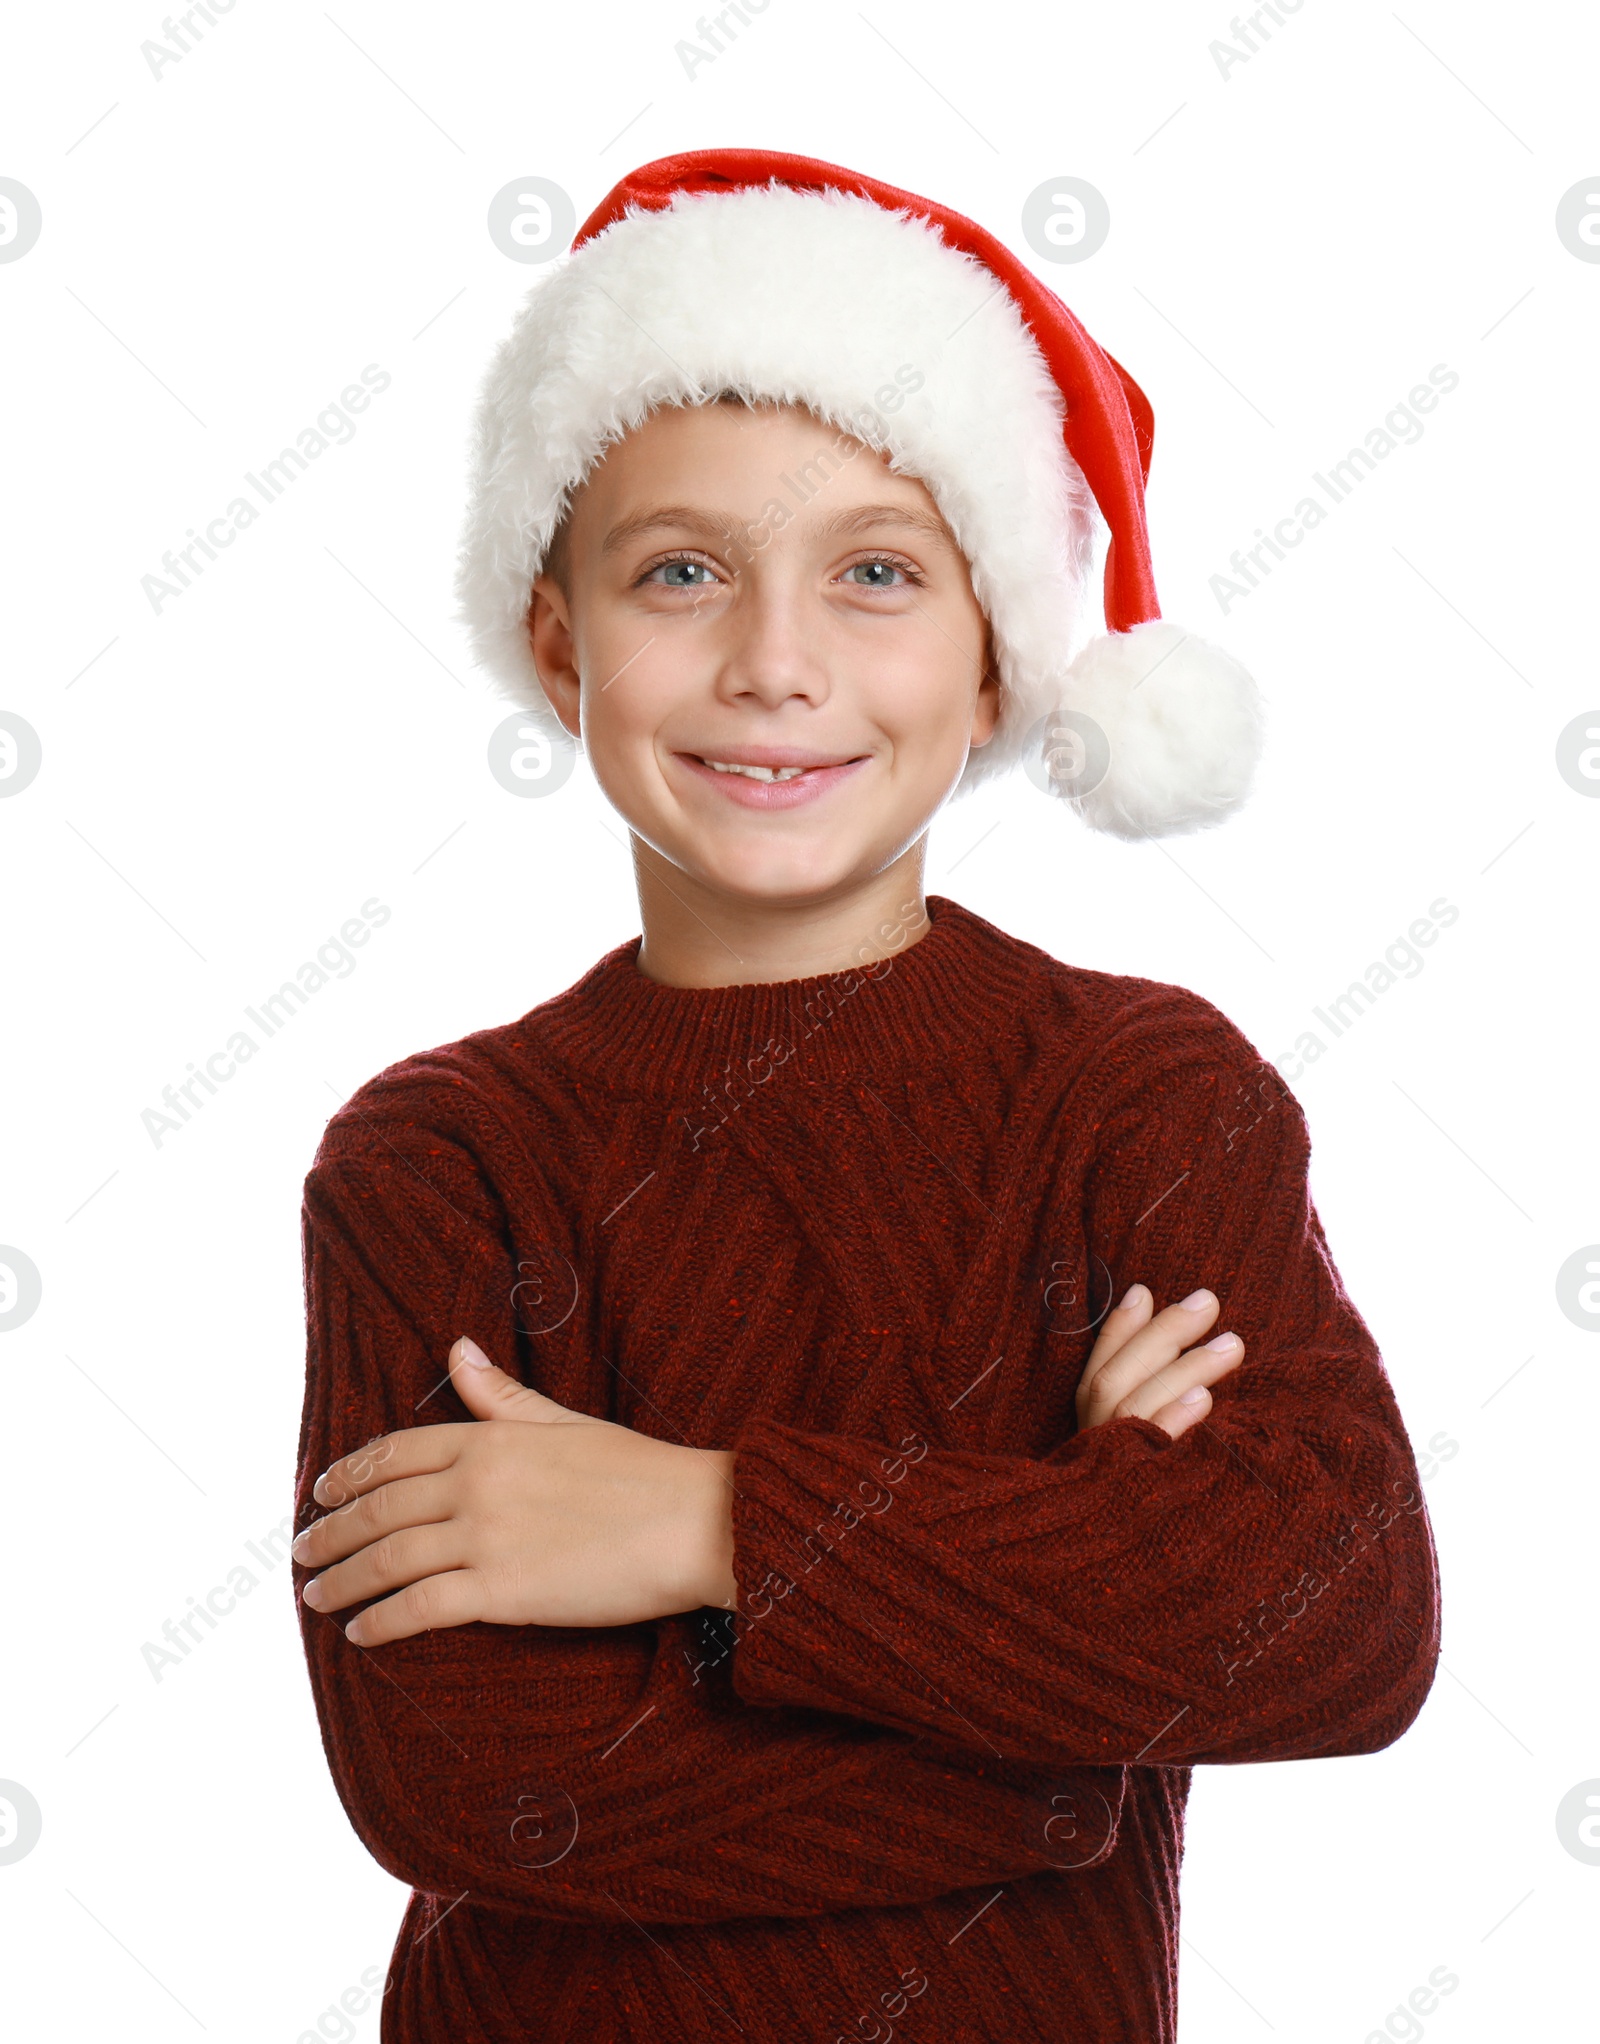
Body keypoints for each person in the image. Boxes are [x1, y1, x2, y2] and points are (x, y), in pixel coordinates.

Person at [291, 149, 1440, 2043]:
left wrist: (708, 1527)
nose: (772, 663)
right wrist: (1062, 1733)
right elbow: (471, 1781)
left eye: (879, 573)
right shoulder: (440, 1161)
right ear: (560, 639)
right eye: (680, 572)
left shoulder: (1143, 1099)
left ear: (998, 658)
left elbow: (1331, 1615)